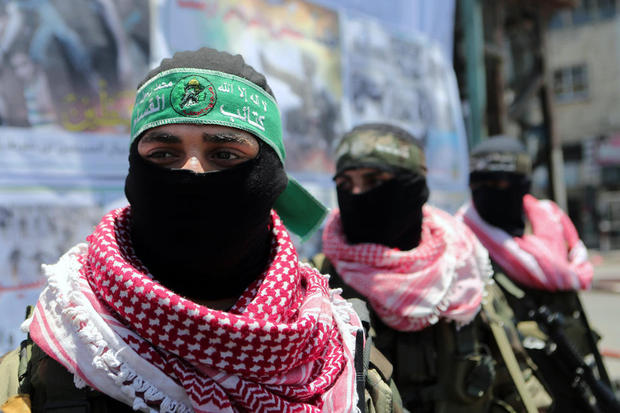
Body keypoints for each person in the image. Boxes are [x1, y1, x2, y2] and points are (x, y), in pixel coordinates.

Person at [0, 47, 380, 413]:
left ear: (271, 177)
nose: (192, 172)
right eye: (164, 154)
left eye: (225, 155)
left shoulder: (341, 359)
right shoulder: (52, 362)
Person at [315, 123, 552, 413]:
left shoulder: (465, 273)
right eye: (345, 184)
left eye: (373, 180)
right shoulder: (319, 288)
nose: (356, 193)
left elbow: (517, 384)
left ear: (413, 186)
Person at [458, 135, 619, 413]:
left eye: (500, 183)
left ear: (522, 184)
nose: (489, 191)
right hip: (516, 393)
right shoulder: (462, 244)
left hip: (574, 376)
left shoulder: (554, 229)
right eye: (479, 183)